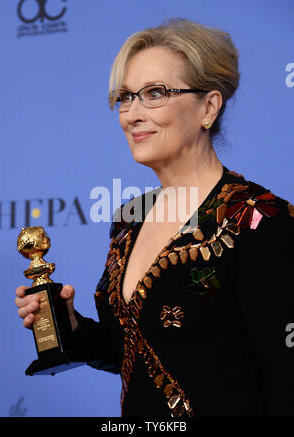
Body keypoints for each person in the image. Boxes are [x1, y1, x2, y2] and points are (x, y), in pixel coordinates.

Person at [15, 18, 294, 417]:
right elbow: (133, 350)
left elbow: (286, 380)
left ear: (209, 106)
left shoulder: (259, 219)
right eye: (125, 97)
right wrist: (70, 326)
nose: (132, 114)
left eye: (155, 94)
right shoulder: (130, 217)